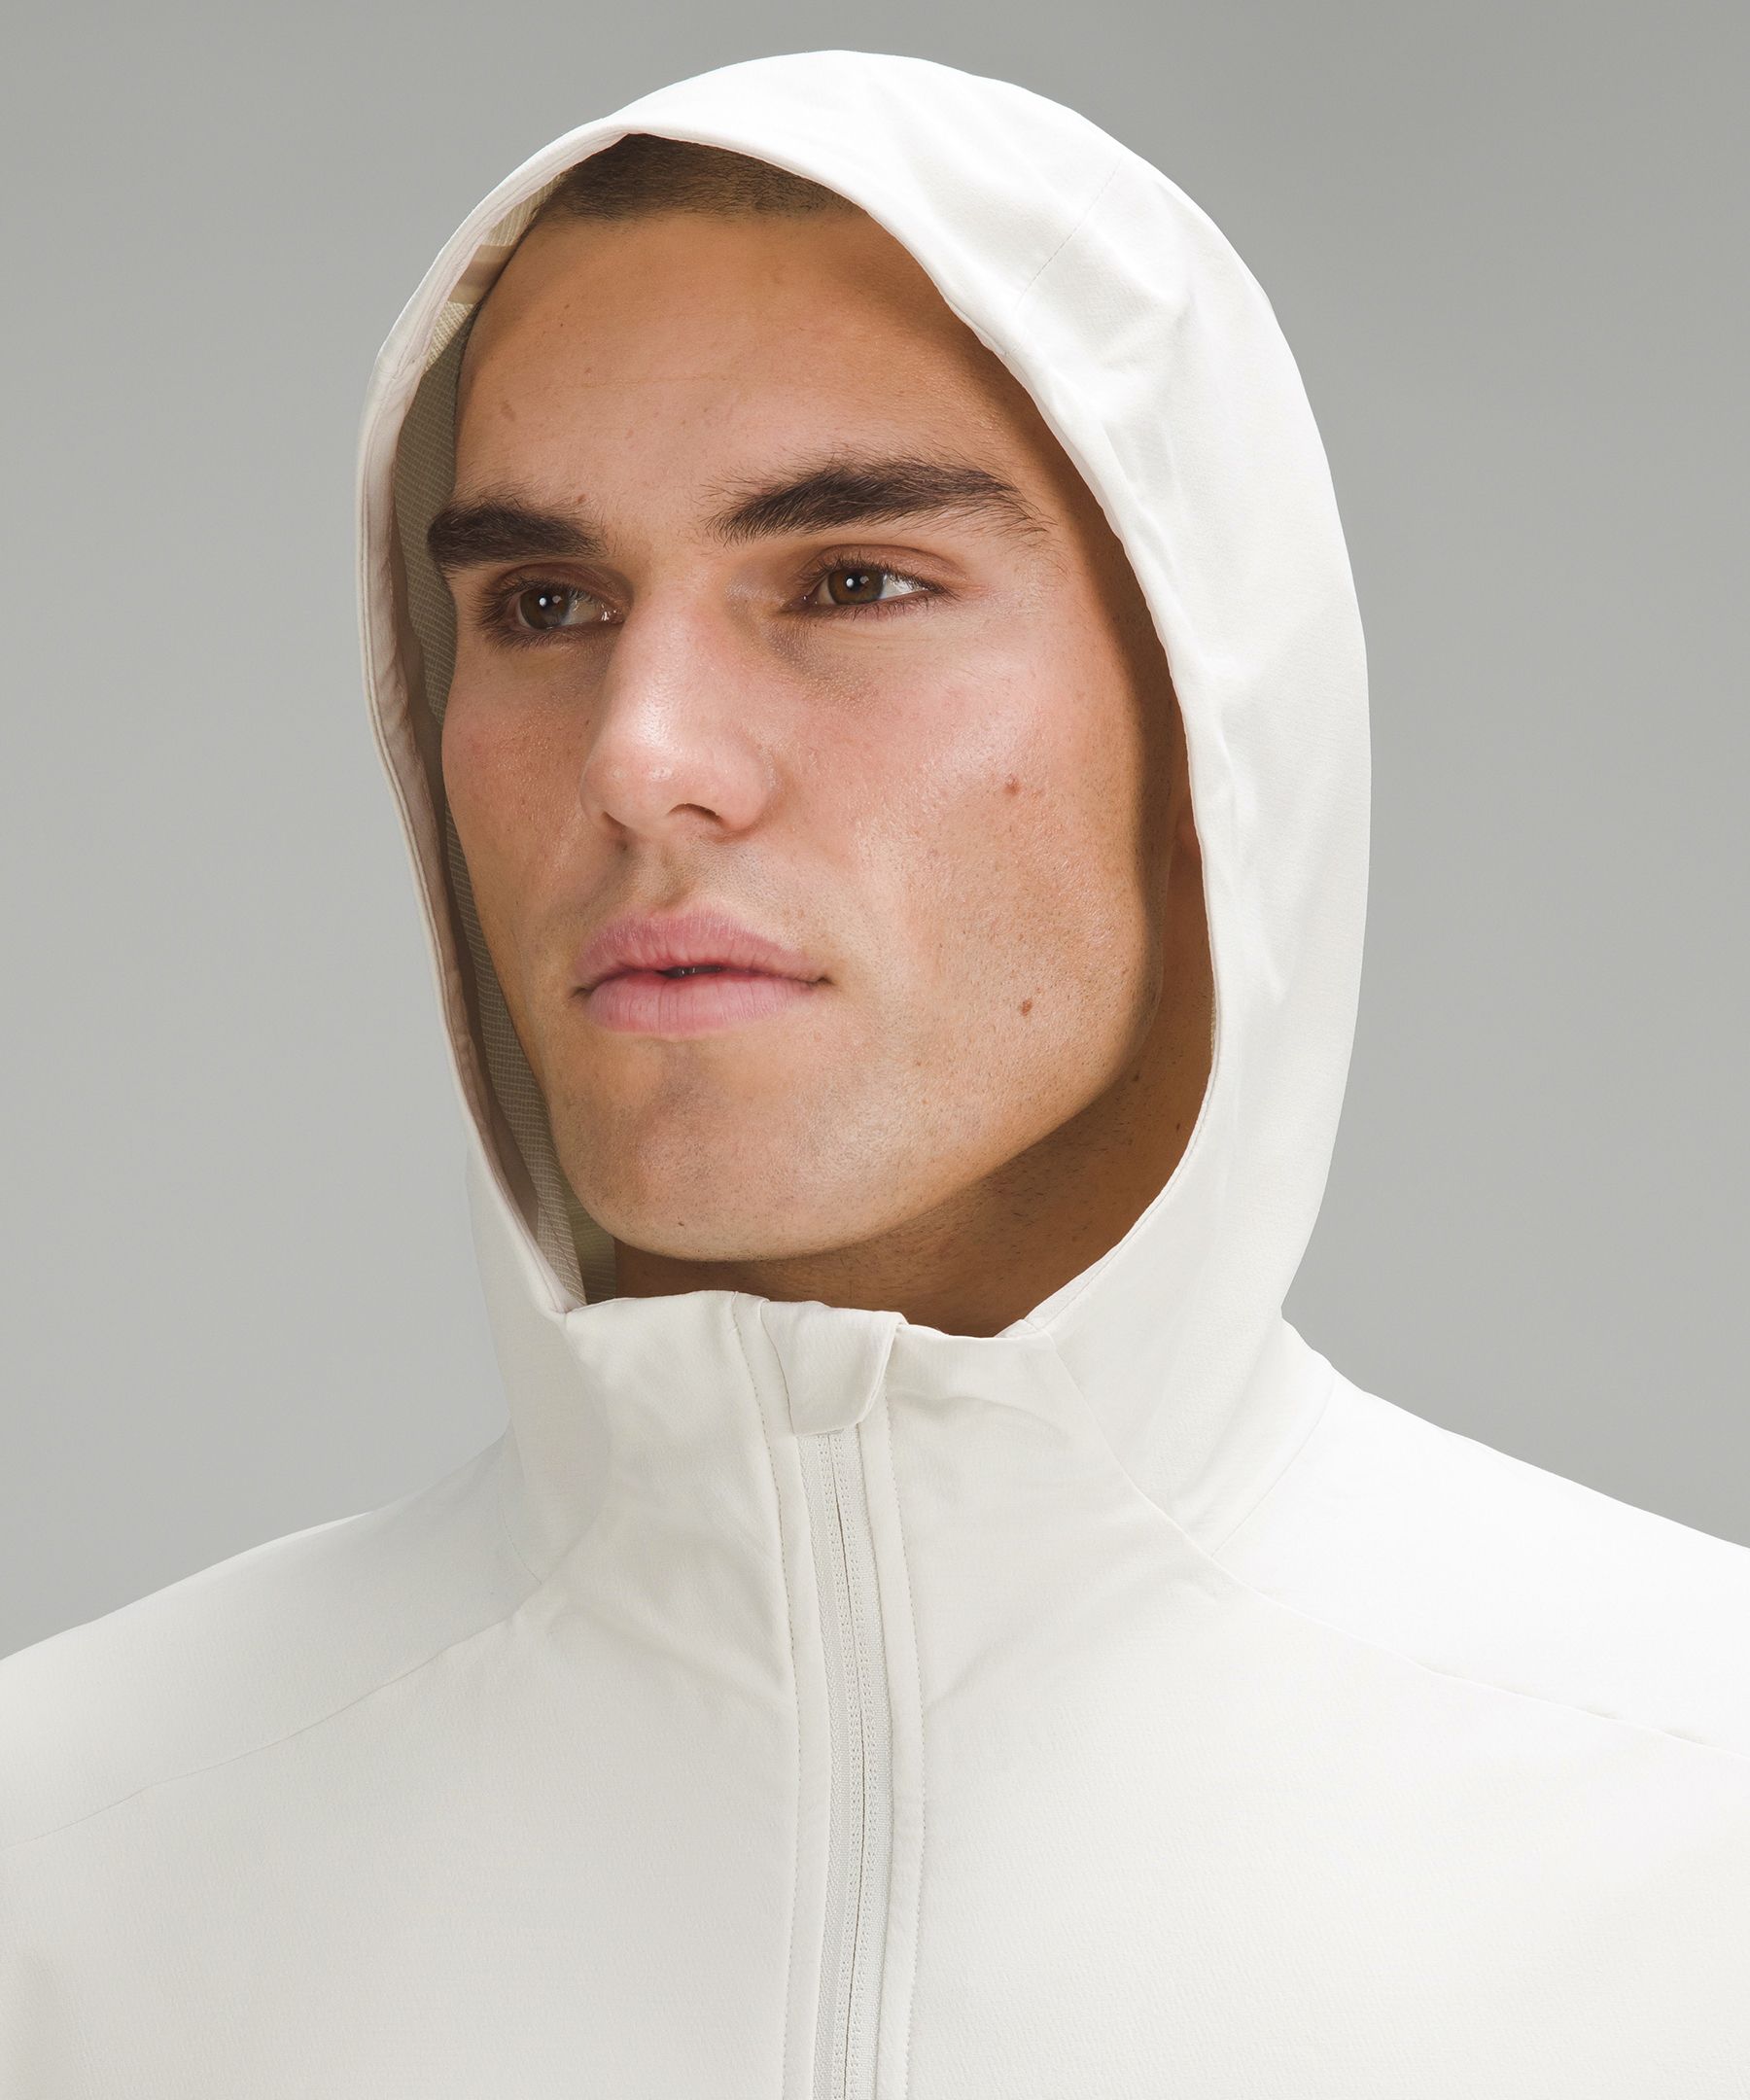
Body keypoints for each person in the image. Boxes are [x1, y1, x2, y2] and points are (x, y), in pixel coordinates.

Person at [3, 48, 1745, 2098]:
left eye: (852, 582)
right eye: (544, 604)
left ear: (1212, 713)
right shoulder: (69, 1881)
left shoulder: (1694, 1835)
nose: (641, 757)